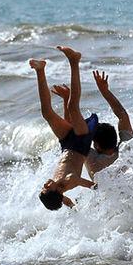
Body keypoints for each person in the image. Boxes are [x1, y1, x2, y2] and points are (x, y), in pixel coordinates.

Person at [31, 46, 96, 210]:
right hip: (80, 144)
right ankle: (74, 61)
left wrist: (74, 210)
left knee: (47, 113)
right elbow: (92, 186)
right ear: (55, 191)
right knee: (74, 107)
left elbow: (64, 201)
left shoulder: (58, 189)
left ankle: (40, 69)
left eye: (43, 187)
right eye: (47, 187)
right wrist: (106, 197)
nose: (45, 184)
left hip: (67, 145)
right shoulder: (70, 180)